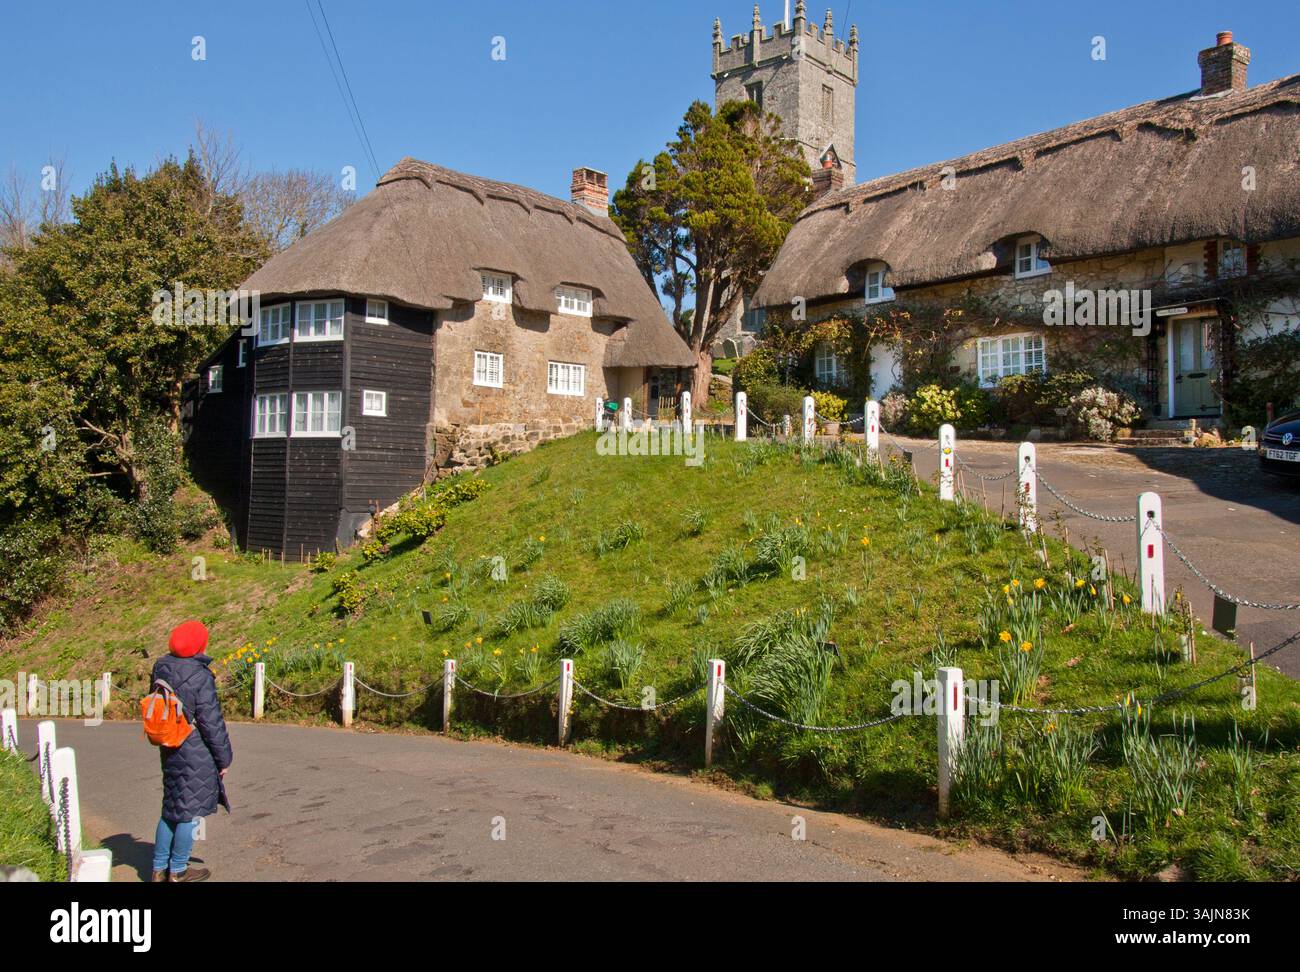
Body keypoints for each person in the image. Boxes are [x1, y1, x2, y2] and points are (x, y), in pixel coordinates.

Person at [150, 620, 232, 883]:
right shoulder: (200, 675)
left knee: (171, 807)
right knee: (189, 811)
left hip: (169, 744)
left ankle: (158, 868)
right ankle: (178, 870)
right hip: (195, 748)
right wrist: (224, 757)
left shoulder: (160, 668)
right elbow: (211, 722)